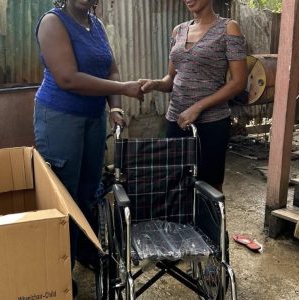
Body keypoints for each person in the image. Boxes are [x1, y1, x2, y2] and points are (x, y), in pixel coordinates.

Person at [33, 0, 143, 297]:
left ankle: (83, 251)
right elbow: (67, 78)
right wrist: (123, 90)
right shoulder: (53, 22)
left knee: (88, 190)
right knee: (62, 196)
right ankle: (57, 270)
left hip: (94, 120)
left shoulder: (95, 26)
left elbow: (112, 69)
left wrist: (115, 108)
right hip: (60, 118)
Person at [139, 0, 247, 192]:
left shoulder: (228, 28)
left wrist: (198, 107)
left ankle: (210, 223)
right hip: (176, 120)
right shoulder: (178, 31)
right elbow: (171, 78)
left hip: (212, 123)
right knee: (176, 182)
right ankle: (182, 223)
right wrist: (155, 84)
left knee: (210, 186)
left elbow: (239, 82)